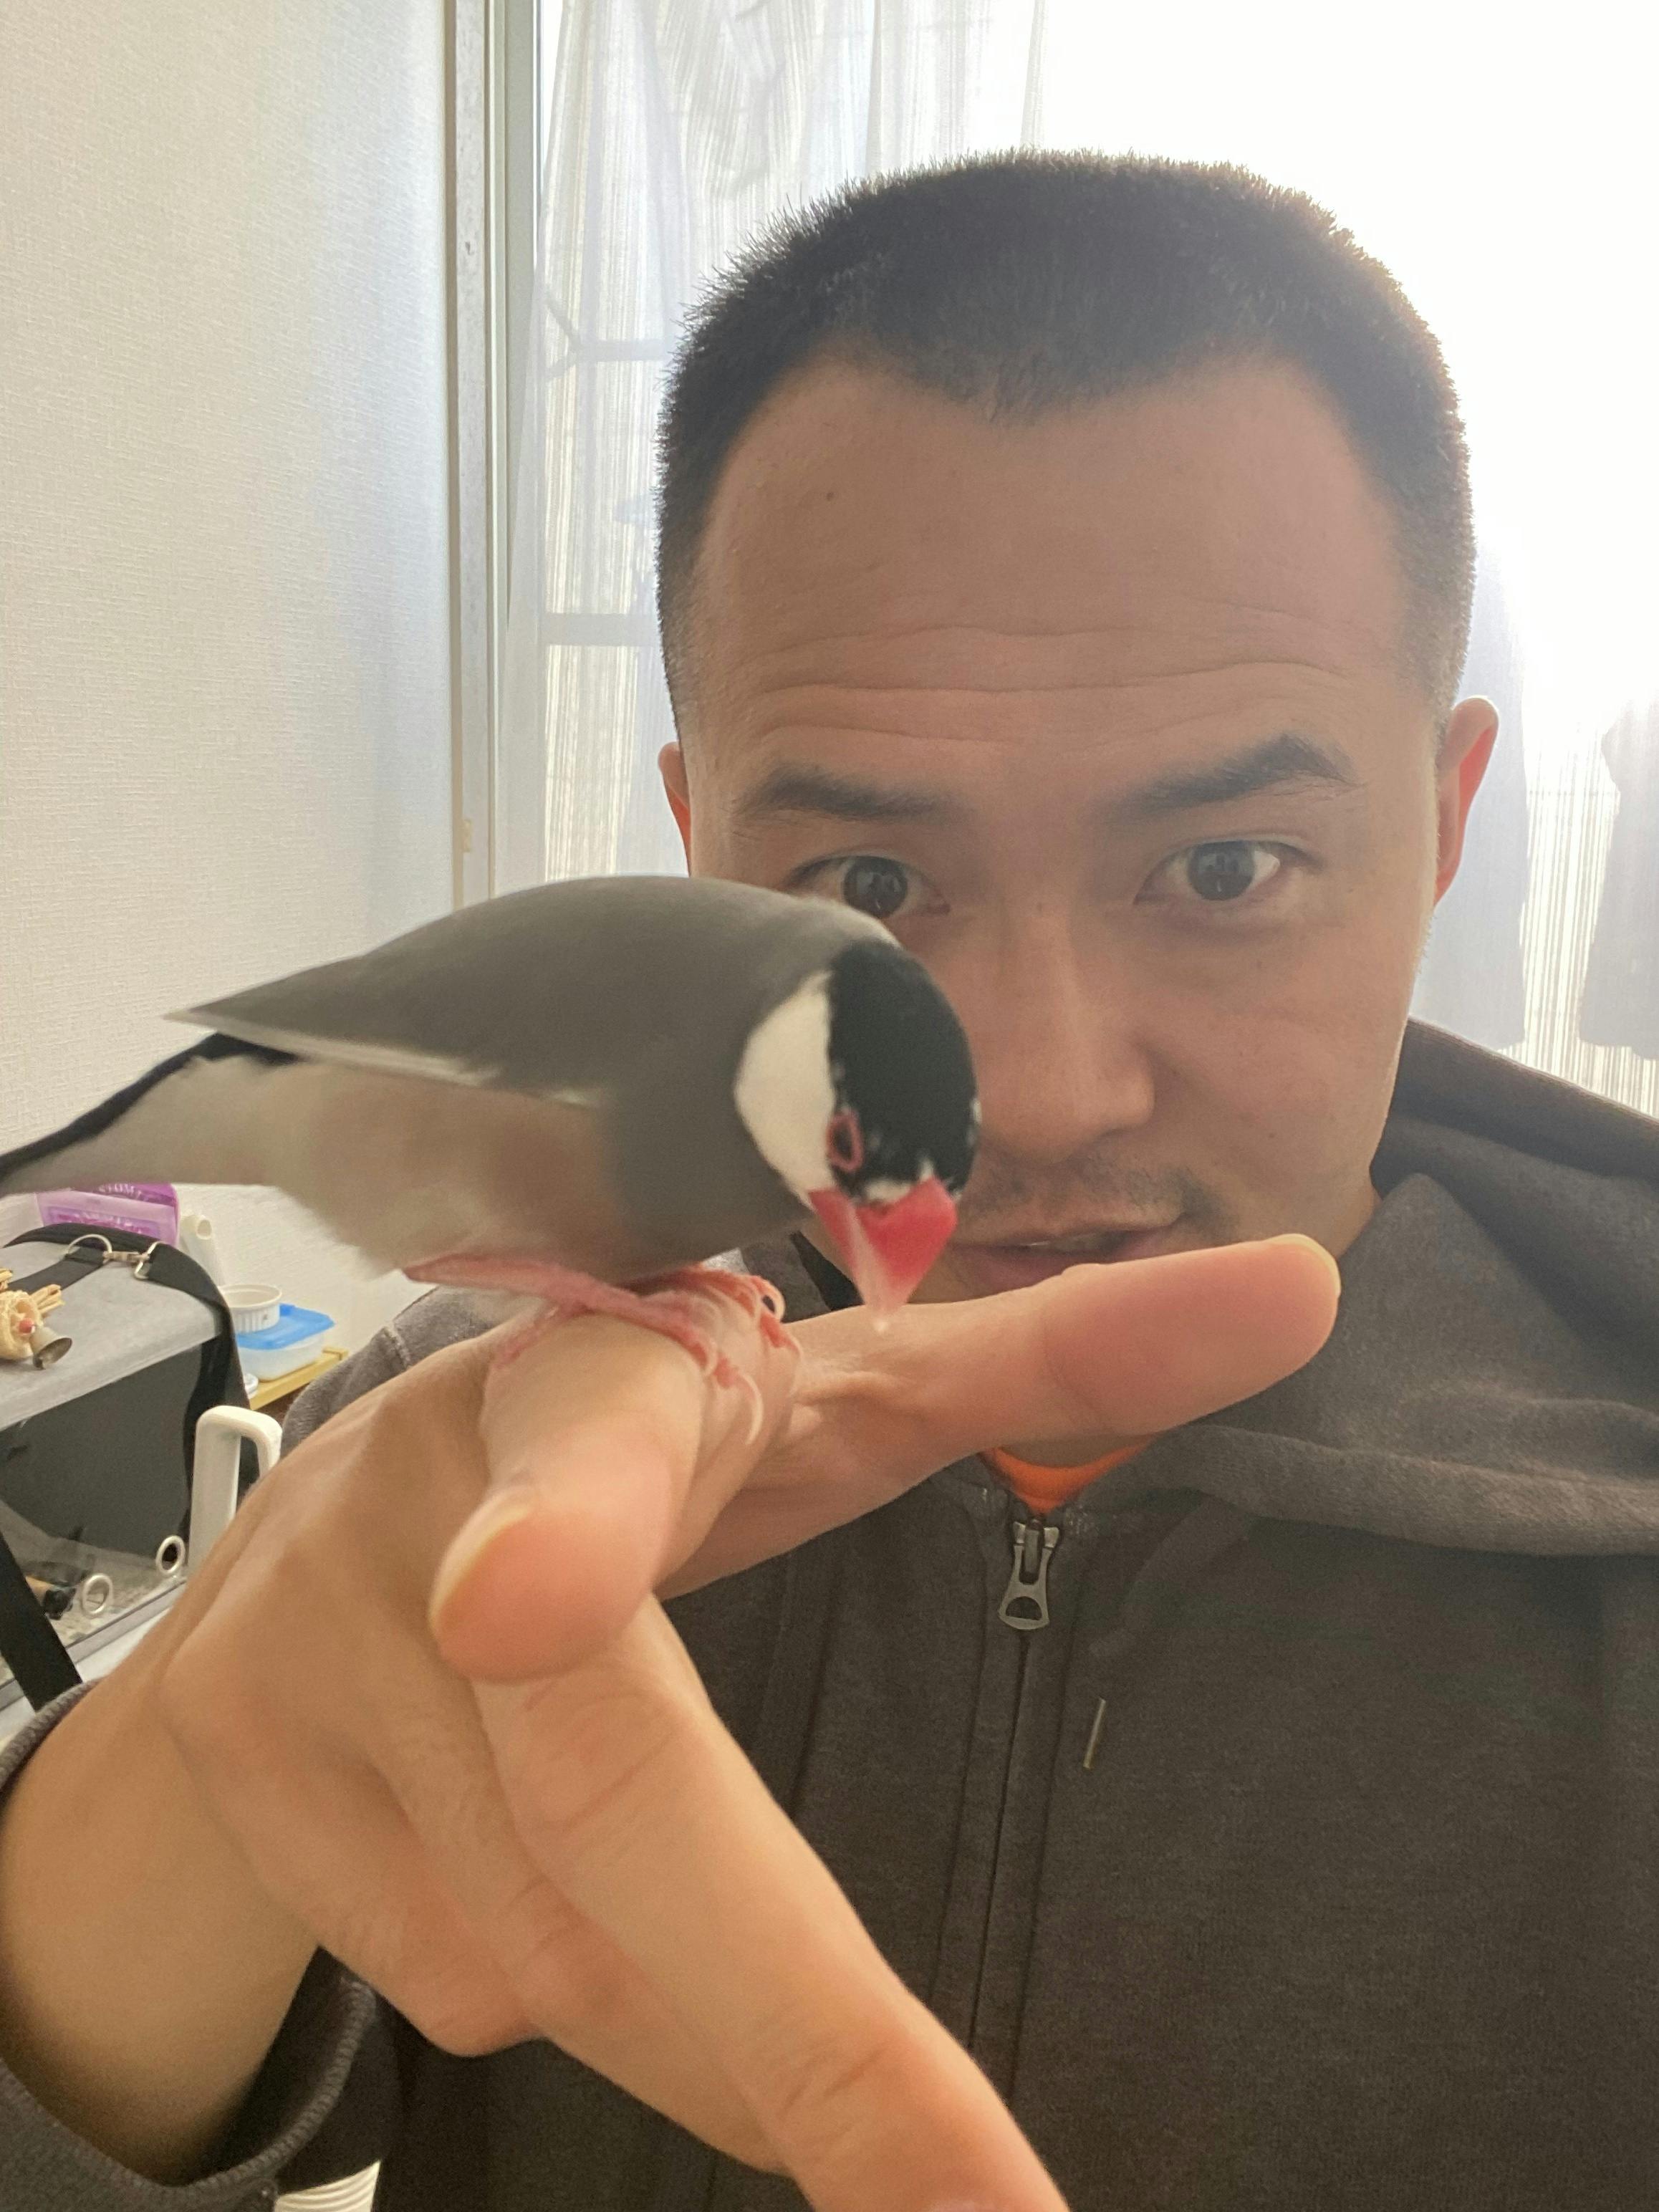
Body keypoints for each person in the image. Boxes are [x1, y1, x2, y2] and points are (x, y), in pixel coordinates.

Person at [4, 150, 1659, 2212]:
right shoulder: (479, 1423)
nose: (1035, 1091)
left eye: (1224, 868)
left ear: (1444, 819)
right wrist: (163, 1783)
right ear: (701, 850)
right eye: (867, 883)